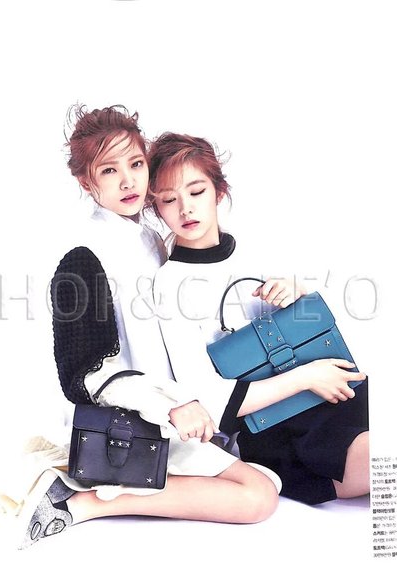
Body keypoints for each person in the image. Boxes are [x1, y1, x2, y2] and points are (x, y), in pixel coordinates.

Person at [2, 105, 282, 550]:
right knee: (258, 497)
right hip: (131, 423)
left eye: (135, 164)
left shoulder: (150, 239)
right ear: (86, 182)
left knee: (271, 477)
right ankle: (78, 504)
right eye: (109, 170)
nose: (128, 181)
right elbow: (84, 373)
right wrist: (171, 406)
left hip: (182, 413)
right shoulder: (83, 256)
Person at [148, 132, 370, 506]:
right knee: (387, 455)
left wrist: (297, 295)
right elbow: (209, 399)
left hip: (329, 391)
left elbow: (307, 334)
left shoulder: (253, 250)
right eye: (169, 200)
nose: (185, 209)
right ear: (157, 208)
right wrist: (307, 378)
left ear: (219, 191)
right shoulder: (170, 283)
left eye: (196, 191)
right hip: (272, 427)